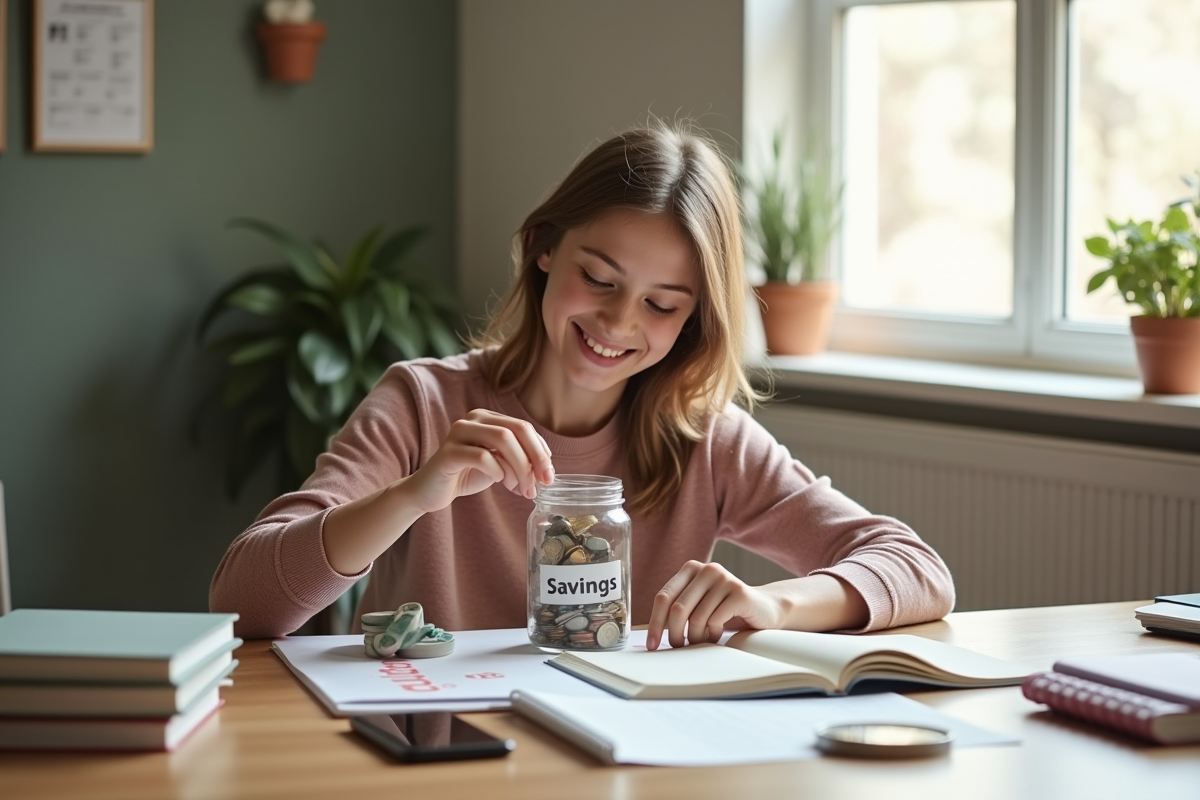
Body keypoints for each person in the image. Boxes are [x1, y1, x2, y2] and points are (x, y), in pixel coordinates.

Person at [209, 122, 954, 647]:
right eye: (597, 278)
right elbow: (242, 604)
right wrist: (412, 495)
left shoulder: (704, 439)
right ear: (541, 249)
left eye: (663, 304)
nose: (619, 323)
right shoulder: (422, 403)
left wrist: (772, 603)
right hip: (437, 753)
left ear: (694, 320)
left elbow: (916, 569)